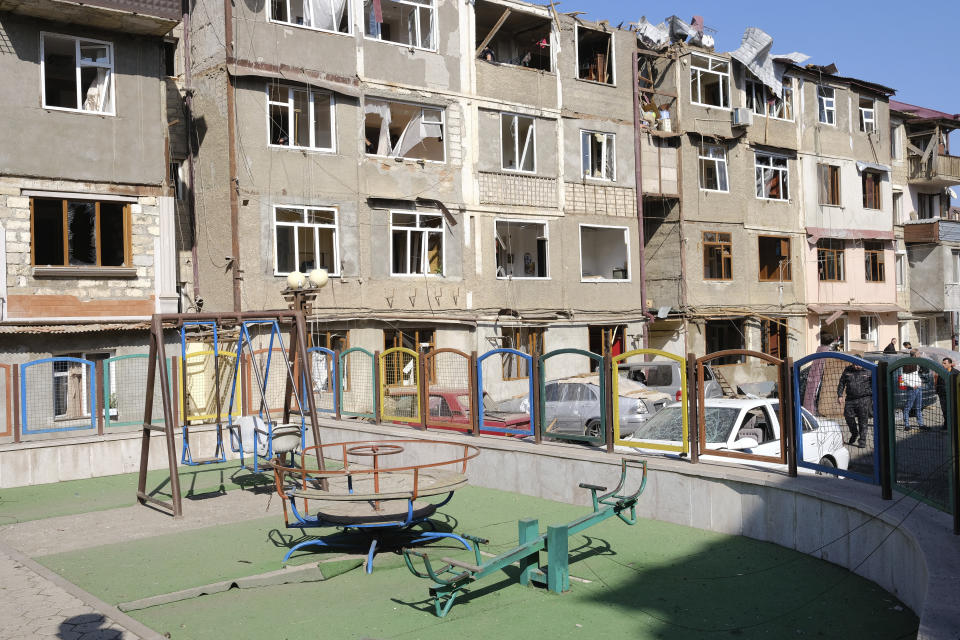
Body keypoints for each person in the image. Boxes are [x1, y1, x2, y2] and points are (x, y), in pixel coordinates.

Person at [837, 361, 872, 448]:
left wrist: (872, 396)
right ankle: (854, 433)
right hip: (850, 399)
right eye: (855, 365)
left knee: (863, 420)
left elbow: (874, 384)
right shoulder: (848, 370)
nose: (857, 366)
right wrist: (840, 395)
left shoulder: (868, 370)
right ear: (852, 364)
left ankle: (862, 440)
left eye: (858, 364)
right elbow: (842, 383)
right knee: (848, 416)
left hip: (864, 399)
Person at [901, 360, 926, 430]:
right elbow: (904, 380)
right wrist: (912, 385)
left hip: (918, 388)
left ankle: (921, 424)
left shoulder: (915, 371)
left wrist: (919, 383)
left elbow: (917, 377)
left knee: (918, 407)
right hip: (912, 389)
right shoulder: (905, 373)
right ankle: (907, 425)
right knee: (908, 406)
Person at [935, 357, 954, 430]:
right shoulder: (941, 372)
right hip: (943, 395)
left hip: (952, 395)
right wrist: (938, 392)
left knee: (952, 410)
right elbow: (939, 382)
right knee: (944, 410)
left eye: (945, 363)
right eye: (942, 363)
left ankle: (953, 425)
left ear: (950, 364)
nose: (943, 365)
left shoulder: (955, 372)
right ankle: (946, 425)